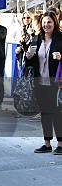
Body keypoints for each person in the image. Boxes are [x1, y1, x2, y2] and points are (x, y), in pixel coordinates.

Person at [24, 11, 62, 154]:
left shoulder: (60, 38)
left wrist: (61, 56)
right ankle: (47, 144)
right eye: (44, 22)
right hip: (40, 82)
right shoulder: (37, 39)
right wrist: (28, 56)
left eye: (49, 22)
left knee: (57, 113)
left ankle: (60, 143)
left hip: (56, 83)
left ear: (54, 23)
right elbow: (31, 62)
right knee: (45, 113)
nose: (46, 25)